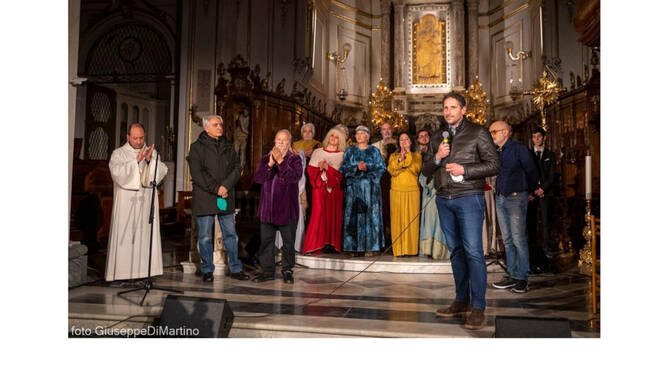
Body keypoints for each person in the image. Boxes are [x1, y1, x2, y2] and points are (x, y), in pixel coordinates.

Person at [422, 92, 500, 330]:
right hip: (444, 199)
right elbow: (426, 170)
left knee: (473, 251)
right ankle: (461, 300)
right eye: (445, 107)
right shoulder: (438, 137)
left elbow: (494, 164)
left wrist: (465, 170)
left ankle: (478, 307)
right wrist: (437, 157)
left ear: (464, 109)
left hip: (468, 198)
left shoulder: (478, 132)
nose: (448, 112)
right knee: (455, 251)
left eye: (453, 107)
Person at [187, 115, 249, 283]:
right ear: (206, 128)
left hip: (225, 196)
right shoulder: (196, 148)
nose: (220, 127)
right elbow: (198, 173)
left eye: (221, 124)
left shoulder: (228, 146)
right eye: (216, 125)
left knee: (231, 235)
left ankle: (235, 268)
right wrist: (217, 188)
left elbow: (237, 168)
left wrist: (225, 186)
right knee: (205, 237)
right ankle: (207, 270)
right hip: (205, 197)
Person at [106, 123, 168, 281]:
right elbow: (118, 174)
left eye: (141, 138)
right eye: (135, 138)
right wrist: (136, 162)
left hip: (146, 202)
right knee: (125, 237)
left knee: (144, 235)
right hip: (126, 204)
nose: (139, 141)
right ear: (127, 137)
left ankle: (144, 273)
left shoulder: (151, 153)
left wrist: (148, 162)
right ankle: (122, 274)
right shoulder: (118, 154)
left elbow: (159, 172)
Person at [489, 121, 541, 293]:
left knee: (518, 238)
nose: (492, 135)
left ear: (505, 132)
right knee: (508, 239)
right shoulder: (498, 151)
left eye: (494, 132)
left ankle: (523, 277)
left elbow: (531, 169)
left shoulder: (519, 149)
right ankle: (512, 274)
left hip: (516, 197)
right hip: (501, 198)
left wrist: (533, 189)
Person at [253, 129, 303, 283]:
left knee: (288, 242)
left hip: (287, 210)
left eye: (284, 140)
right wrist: (270, 163)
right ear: (274, 142)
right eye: (278, 140)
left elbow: (293, 178)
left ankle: (287, 270)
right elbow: (258, 178)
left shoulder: (295, 159)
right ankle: (267, 271)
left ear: (289, 143)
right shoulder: (265, 158)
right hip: (268, 210)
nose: (281, 143)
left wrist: (281, 162)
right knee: (266, 242)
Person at [340, 125, 386, 256]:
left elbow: (381, 168)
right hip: (353, 190)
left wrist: (367, 167)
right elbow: (343, 169)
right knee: (353, 217)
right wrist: (356, 167)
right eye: (357, 134)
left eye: (362, 134)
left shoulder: (374, 151)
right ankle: (353, 247)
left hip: (370, 190)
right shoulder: (350, 151)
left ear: (368, 136)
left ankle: (371, 246)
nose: (359, 136)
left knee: (370, 216)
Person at [302, 128, 347, 254]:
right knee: (318, 213)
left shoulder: (342, 155)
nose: (333, 138)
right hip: (320, 187)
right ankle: (314, 245)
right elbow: (310, 171)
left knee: (333, 215)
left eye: (336, 137)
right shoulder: (318, 152)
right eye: (331, 135)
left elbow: (341, 175)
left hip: (335, 191)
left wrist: (328, 168)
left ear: (340, 140)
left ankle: (331, 245)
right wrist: (320, 169)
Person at [527, 126, 557, 273]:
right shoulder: (528, 154)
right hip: (532, 193)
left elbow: (552, 176)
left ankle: (546, 250)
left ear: (544, 138)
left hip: (546, 193)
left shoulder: (550, 155)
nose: (536, 139)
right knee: (531, 222)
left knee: (546, 222)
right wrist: (533, 191)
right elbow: (527, 173)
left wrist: (542, 189)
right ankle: (532, 251)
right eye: (534, 137)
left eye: (539, 136)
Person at [387, 132, 422, 256]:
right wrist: (400, 159)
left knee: (411, 221)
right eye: (401, 140)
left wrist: (407, 157)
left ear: (411, 142)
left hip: (412, 191)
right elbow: (392, 171)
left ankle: (411, 250)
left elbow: (415, 169)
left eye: (406, 139)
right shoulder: (393, 156)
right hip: (396, 190)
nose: (404, 142)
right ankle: (399, 250)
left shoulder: (417, 155)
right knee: (397, 221)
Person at [417, 129, 449, 260]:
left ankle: (440, 252)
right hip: (431, 192)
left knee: (443, 223)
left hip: (446, 191)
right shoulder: (428, 156)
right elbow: (423, 174)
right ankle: (429, 250)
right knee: (430, 221)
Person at [275, 147, 307, 253]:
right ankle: (280, 245)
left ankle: (294, 246)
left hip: (294, 192)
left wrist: (299, 191)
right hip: (279, 192)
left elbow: (300, 176)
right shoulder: (274, 153)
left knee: (293, 221)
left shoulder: (298, 154)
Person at [372, 122, 397, 248]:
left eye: (389, 129)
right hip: (380, 182)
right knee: (382, 211)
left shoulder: (399, 144)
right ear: (380, 132)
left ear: (392, 131)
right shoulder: (374, 147)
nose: (386, 132)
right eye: (384, 129)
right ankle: (381, 242)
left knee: (395, 211)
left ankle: (394, 241)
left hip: (396, 181)